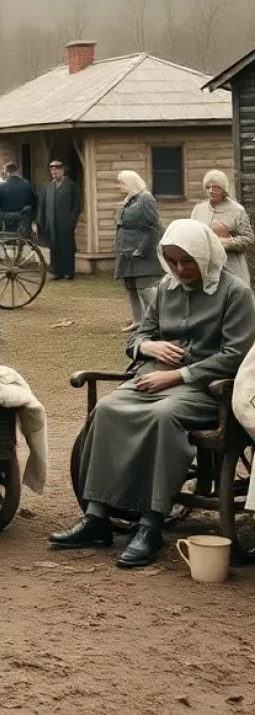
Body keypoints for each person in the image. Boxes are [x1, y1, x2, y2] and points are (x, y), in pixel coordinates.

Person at [51, 220, 255, 568]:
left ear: (206, 256)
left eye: (187, 261)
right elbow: (138, 335)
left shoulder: (236, 293)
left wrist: (178, 375)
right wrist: (148, 346)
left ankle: (151, 524)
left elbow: (236, 355)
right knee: (107, 409)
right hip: (153, 377)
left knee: (162, 417)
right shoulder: (165, 288)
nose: (180, 269)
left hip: (206, 390)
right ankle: (97, 517)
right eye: (172, 261)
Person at [113, 170, 163, 332]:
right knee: (131, 288)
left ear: (132, 182)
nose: (119, 186)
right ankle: (138, 321)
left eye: (122, 183)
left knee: (145, 288)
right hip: (126, 252)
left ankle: (161, 320)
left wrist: (142, 250)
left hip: (139, 252)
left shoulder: (146, 199)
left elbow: (152, 228)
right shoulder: (129, 200)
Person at [191, 170, 253, 284]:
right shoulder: (199, 209)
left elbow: (248, 239)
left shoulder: (236, 210)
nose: (211, 190)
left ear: (224, 190)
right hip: (206, 268)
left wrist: (225, 242)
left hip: (231, 267)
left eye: (216, 187)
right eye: (208, 187)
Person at [39, 159, 81, 280]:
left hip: (66, 223)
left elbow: (76, 205)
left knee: (67, 247)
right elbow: (42, 206)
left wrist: (72, 220)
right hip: (51, 223)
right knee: (54, 247)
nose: (54, 172)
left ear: (62, 170)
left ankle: (68, 271)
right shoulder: (48, 187)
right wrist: (42, 222)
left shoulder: (71, 185)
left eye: (57, 169)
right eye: (52, 170)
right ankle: (56, 271)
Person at [0, 161, 37, 236]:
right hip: (23, 225)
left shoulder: (0, 188)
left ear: (7, 173)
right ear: (17, 171)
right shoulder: (26, 185)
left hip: (7, 226)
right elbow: (34, 204)